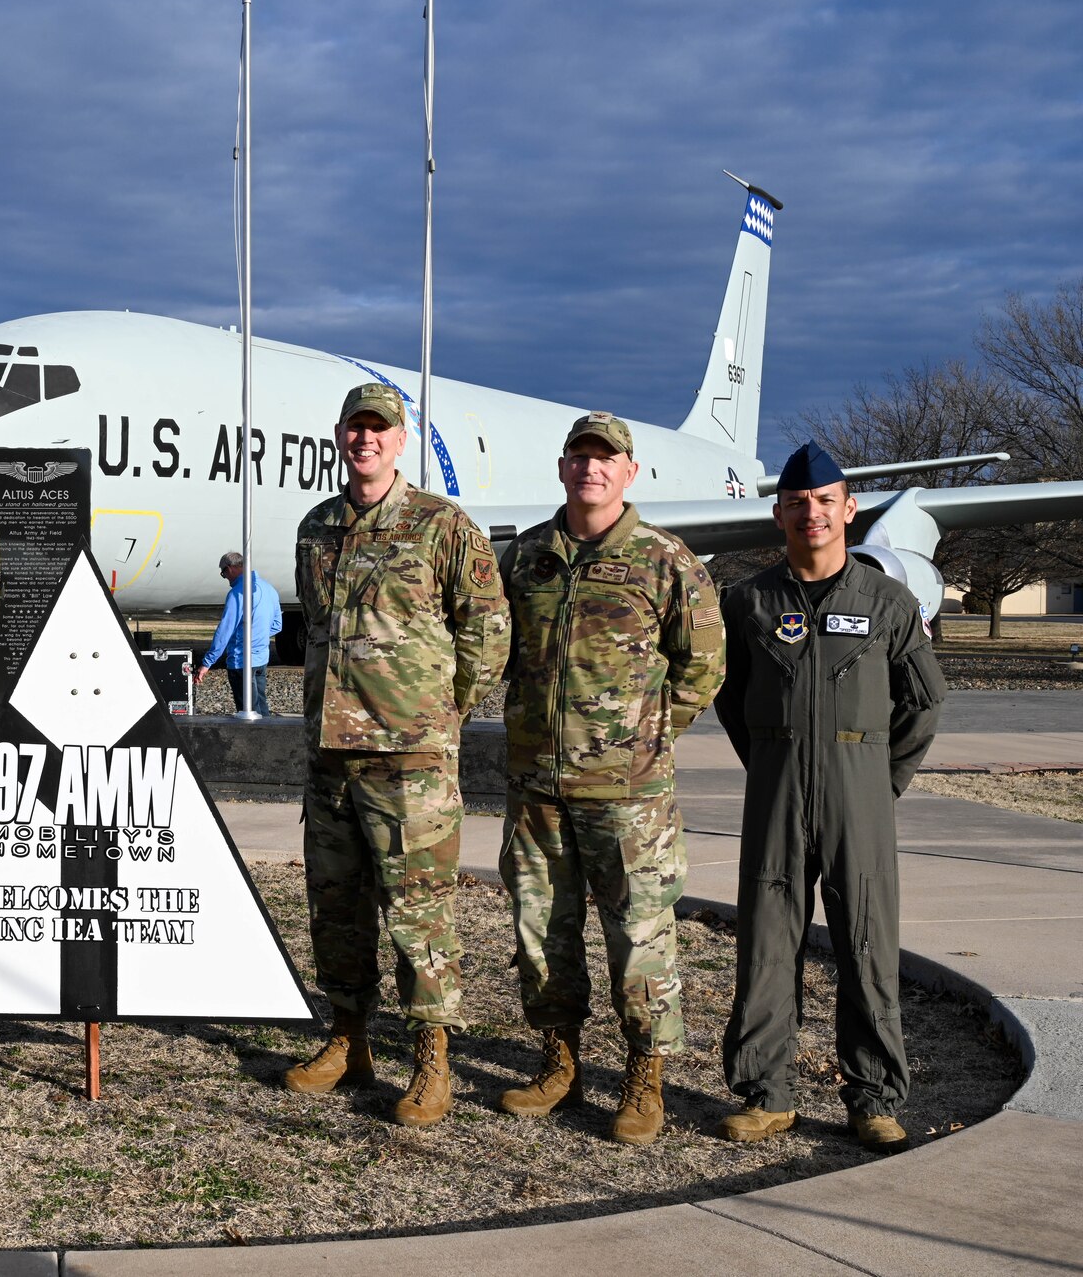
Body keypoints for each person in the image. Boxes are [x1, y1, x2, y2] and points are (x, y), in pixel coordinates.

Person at [495, 411, 724, 1145]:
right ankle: (559, 1061)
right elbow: (498, 648)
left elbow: (704, 664)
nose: (591, 468)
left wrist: (648, 736)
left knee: (640, 939)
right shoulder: (528, 556)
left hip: (629, 796)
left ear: (629, 472)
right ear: (562, 467)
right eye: (579, 456)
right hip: (539, 789)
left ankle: (644, 1074)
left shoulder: (666, 560)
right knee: (541, 932)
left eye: (606, 458)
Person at [286, 382, 509, 1128]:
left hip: (411, 761)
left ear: (401, 437)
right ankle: (348, 1039)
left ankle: (432, 1058)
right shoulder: (317, 527)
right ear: (340, 434)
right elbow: (318, 627)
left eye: (379, 428)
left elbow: (486, 630)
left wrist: (443, 714)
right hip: (331, 758)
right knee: (337, 910)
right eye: (355, 428)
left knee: (420, 918)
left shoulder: (441, 525)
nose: (366, 440)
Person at [713, 442, 944, 1151]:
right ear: (778, 511)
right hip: (776, 791)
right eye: (796, 502)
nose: (810, 512)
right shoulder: (750, 601)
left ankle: (873, 1095)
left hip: (859, 793)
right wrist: (773, 759)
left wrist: (880, 779)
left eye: (823, 500)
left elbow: (924, 702)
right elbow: (731, 697)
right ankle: (765, 1092)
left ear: (848, 508)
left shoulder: (887, 602)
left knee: (867, 943)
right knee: (766, 941)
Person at [193, 551, 284, 714]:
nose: (226, 579)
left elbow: (225, 631)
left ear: (230, 569)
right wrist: (257, 636)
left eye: (223, 573)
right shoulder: (269, 589)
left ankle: (255, 739)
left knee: (248, 713)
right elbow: (277, 625)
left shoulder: (238, 593)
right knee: (261, 709)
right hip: (261, 659)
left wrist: (207, 663)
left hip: (241, 661)